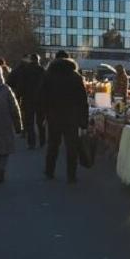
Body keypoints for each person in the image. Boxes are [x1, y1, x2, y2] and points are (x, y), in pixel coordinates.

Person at [39, 50, 88, 183]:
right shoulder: (76, 76)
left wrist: (43, 116)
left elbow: (42, 97)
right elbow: (83, 100)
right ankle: (71, 176)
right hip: (71, 116)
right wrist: (83, 122)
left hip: (53, 115)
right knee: (71, 147)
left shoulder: (48, 75)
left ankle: (49, 171)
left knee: (53, 144)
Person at [0, 63, 23, 183]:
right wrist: (18, 126)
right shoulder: (6, 89)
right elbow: (14, 109)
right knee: (4, 149)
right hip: (3, 123)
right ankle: (1, 169)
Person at [16, 54, 47, 149]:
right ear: (38, 60)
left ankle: (31, 143)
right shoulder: (42, 70)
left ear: (30, 60)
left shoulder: (25, 70)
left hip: (28, 99)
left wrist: (18, 97)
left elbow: (21, 85)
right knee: (40, 122)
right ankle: (42, 141)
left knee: (29, 122)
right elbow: (47, 86)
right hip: (41, 100)